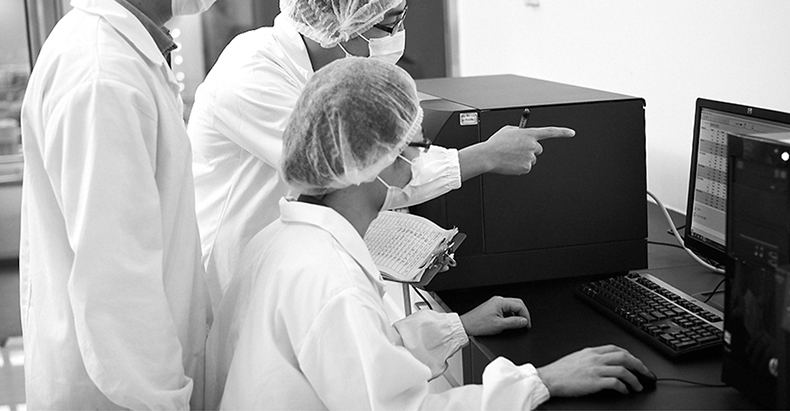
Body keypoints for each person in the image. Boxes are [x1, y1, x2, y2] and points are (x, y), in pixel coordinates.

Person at [204, 57, 652, 410]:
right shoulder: (332, 281)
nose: (418, 160)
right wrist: (541, 380)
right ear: (370, 160)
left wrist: (458, 326)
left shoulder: (279, 241)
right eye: (413, 146)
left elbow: (363, 358)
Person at [188, 0, 576, 312]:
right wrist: (486, 155)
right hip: (236, 283)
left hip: (291, 267)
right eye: (391, 23)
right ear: (342, 22)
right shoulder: (253, 75)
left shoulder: (322, 73)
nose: (398, 36)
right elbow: (358, 172)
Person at [19, 0, 247, 409]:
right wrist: (165, 400)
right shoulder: (104, 77)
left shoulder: (118, 53)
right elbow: (116, 283)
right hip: (124, 394)